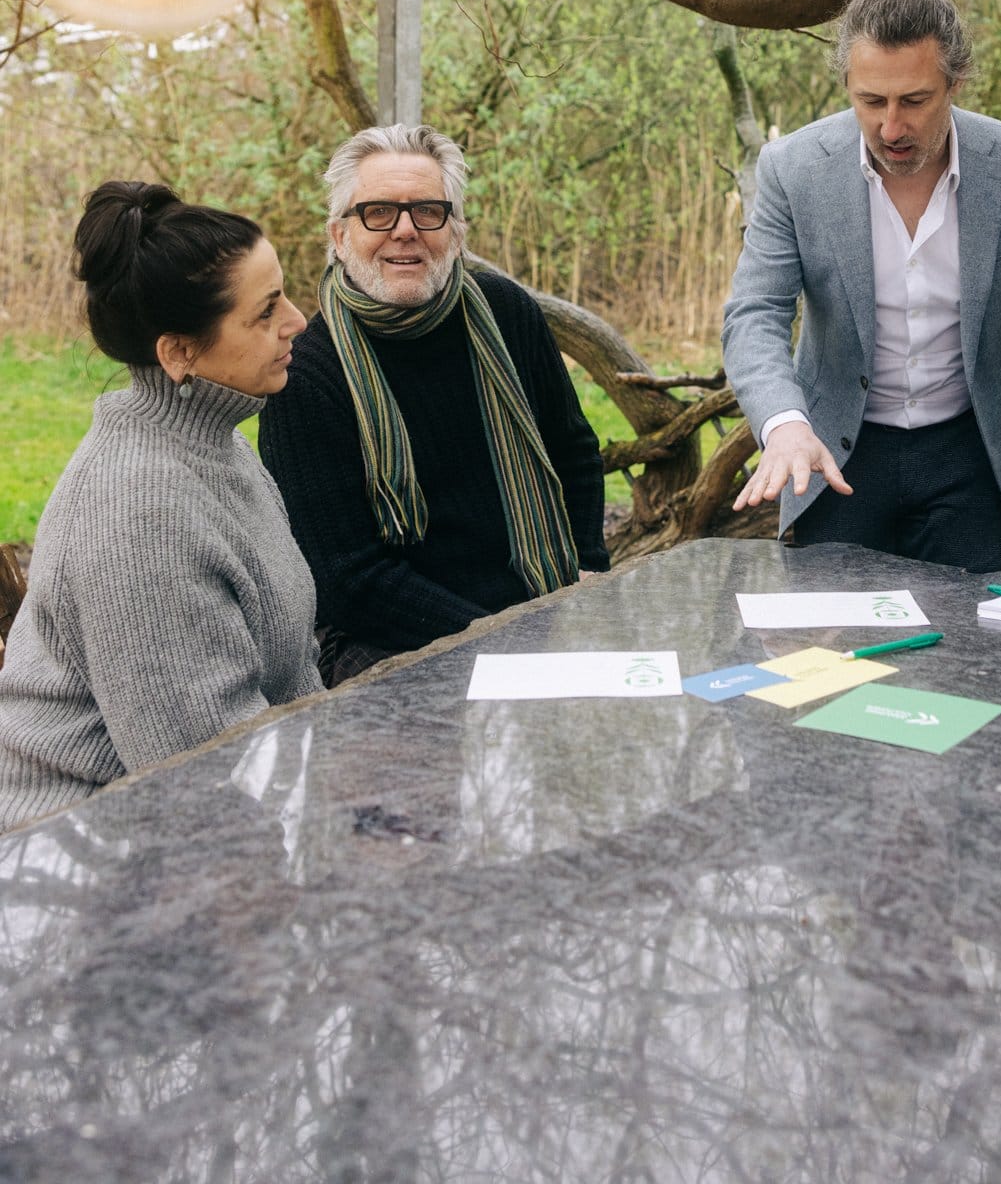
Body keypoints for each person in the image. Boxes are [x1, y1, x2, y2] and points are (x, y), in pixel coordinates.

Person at [722, 0, 1001, 566]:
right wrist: (783, 423)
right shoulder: (791, 169)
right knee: (836, 653)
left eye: (914, 101)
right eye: (871, 102)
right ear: (847, 84)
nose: (891, 127)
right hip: (836, 455)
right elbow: (754, 314)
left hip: (972, 457)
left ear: (955, 83)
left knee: (967, 654)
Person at [0, 182, 320, 833]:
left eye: (283, 293)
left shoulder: (217, 445)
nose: (297, 321)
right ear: (178, 353)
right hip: (77, 839)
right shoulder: (139, 516)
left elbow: (290, 683)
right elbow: (201, 788)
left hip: (191, 821)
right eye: (264, 313)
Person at [259, 124, 608, 683]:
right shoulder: (307, 373)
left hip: (545, 600)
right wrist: (500, 640)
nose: (405, 231)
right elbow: (347, 580)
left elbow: (575, 453)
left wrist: (588, 568)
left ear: (457, 230)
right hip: (387, 637)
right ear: (339, 234)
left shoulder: (507, 313)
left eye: (428, 211)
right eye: (377, 213)